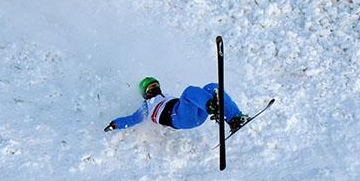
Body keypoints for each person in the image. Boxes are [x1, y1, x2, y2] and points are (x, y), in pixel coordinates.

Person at [104, 77, 250, 133]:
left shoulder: (165, 95)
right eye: (151, 88)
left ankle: (234, 119)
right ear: (145, 93)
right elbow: (131, 119)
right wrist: (115, 124)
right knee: (188, 92)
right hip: (179, 119)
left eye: (156, 85)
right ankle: (212, 105)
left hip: (197, 114)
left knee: (212, 87)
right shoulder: (145, 107)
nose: (155, 89)